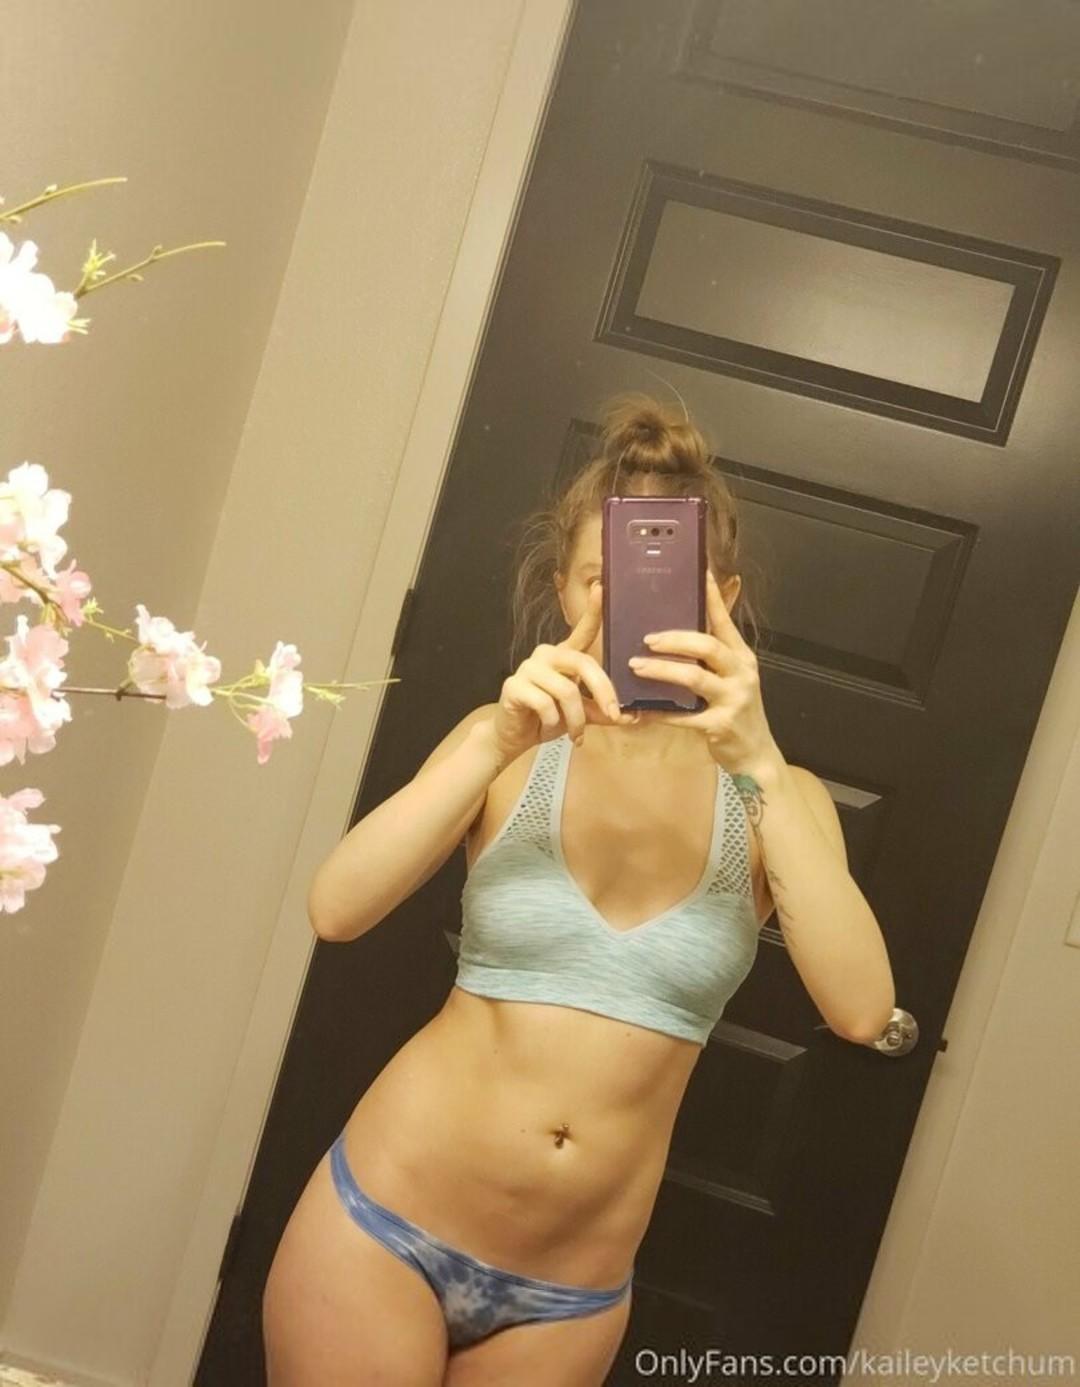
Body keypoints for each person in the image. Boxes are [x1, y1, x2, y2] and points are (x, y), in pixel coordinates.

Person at [262, 393, 896, 1386]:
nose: (631, 606)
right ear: (565, 591)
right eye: (605, 579)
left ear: (723, 598)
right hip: (385, 1223)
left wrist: (759, 760)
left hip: (570, 1296)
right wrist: (497, 738)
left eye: (668, 582)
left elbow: (861, 1010)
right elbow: (336, 909)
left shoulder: (779, 795)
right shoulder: (505, 744)